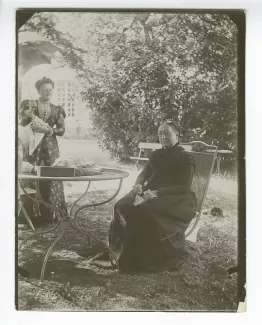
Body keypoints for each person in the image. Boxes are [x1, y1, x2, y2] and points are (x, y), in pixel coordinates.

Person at [90, 121, 197, 272]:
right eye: (160, 133)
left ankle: (128, 260)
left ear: (177, 135)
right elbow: (143, 174)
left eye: (167, 133)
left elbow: (184, 188)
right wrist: (138, 184)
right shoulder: (156, 155)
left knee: (140, 211)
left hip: (175, 199)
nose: (163, 136)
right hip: (150, 193)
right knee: (120, 205)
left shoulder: (186, 158)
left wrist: (157, 192)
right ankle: (113, 253)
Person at [19, 77, 67, 224]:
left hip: (50, 148)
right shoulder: (30, 105)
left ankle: (49, 215)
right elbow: (20, 124)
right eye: (45, 89)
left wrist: (47, 130)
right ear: (38, 90)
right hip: (33, 146)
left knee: (51, 177)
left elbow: (61, 130)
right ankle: (30, 215)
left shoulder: (57, 108)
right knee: (32, 176)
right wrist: (27, 115)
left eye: (50, 90)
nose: (48, 92)